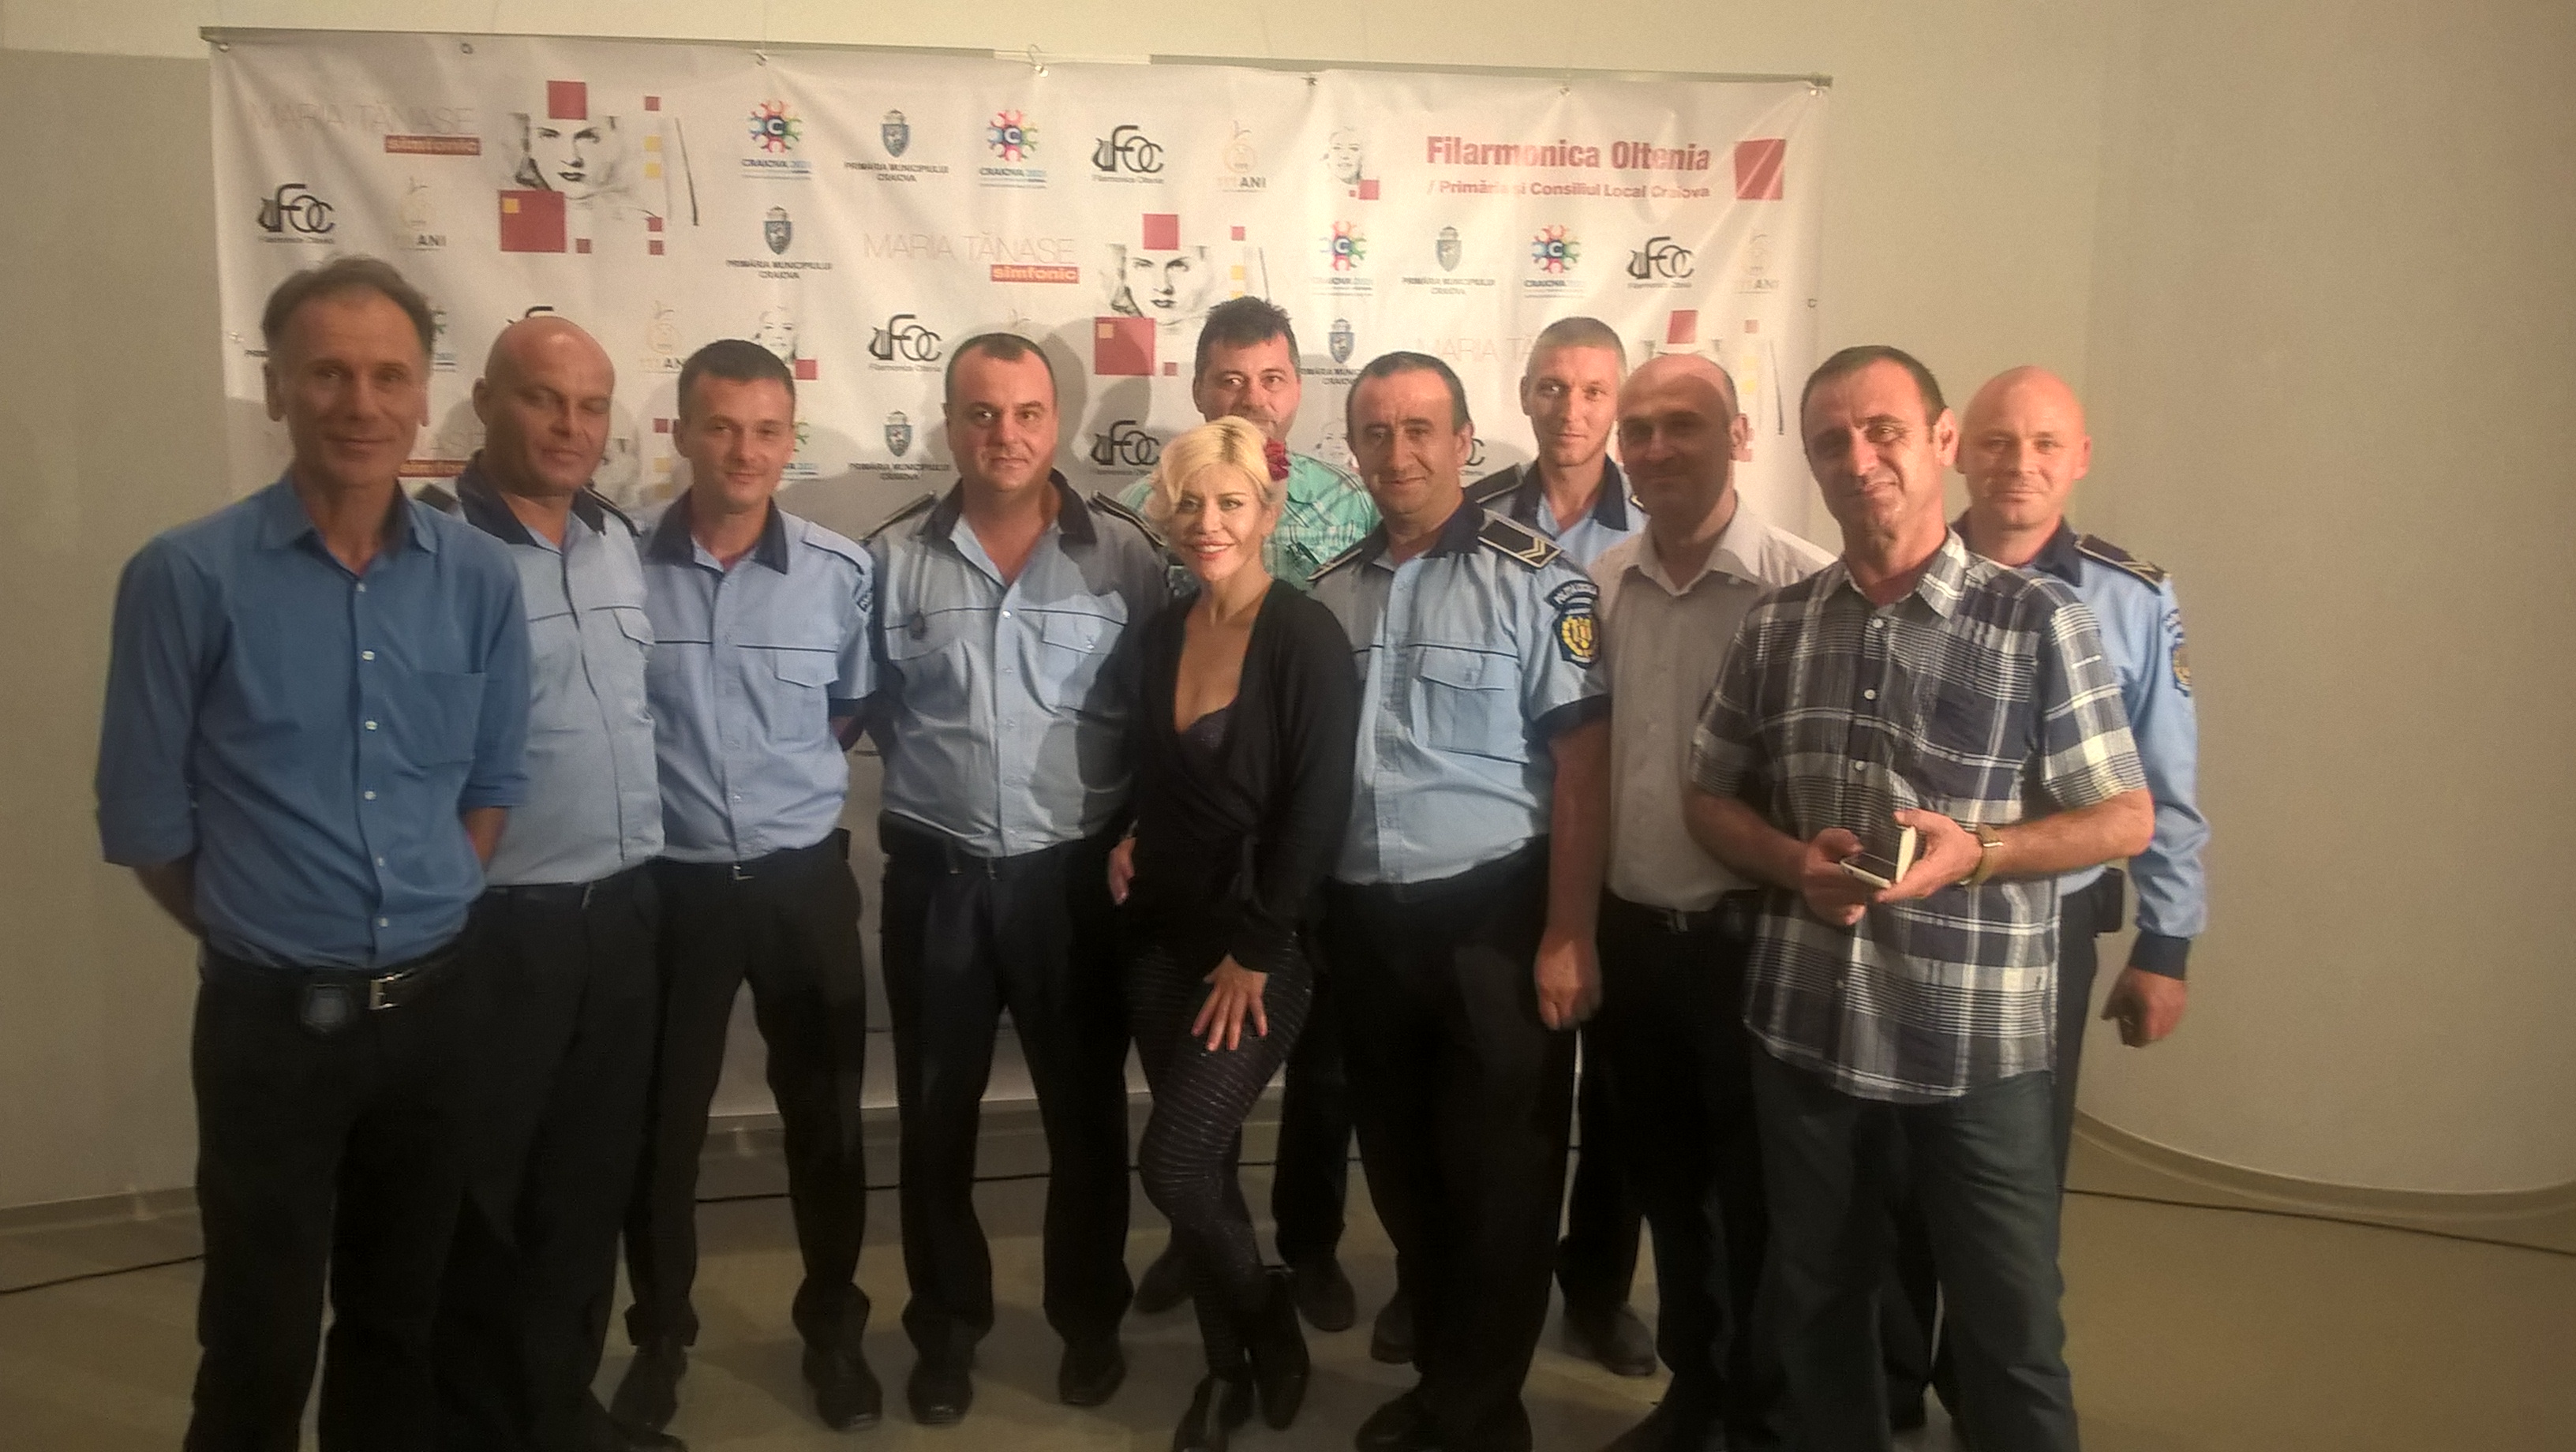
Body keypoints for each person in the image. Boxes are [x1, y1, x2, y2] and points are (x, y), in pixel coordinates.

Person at [95, 256, 530, 1451]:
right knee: (260, 1336)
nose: (361, 403)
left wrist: (432, 897)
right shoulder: (185, 576)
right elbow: (146, 821)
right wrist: (274, 925)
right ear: (278, 387)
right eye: (329, 373)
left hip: (438, 1015)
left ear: (424, 393)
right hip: (271, 1031)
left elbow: (493, 783)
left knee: (399, 1323)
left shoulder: (480, 580)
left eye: (389, 376)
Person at [1685, 346, 2153, 1452]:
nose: (1860, 460)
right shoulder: (1778, 626)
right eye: (1832, 442)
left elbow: (2124, 816)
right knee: (1819, 1312)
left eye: (1884, 430)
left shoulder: (2041, 622)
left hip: (1977, 1046)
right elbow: (1707, 798)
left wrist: (1979, 852)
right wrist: (1791, 861)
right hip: (1810, 1031)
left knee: (2011, 1331)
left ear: (1941, 442)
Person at [1878, 365, 2211, 1433]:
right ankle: (1887, 1379)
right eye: (1996, 441)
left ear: (2081, 459)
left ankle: (1981, 1389)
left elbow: (2163, 788)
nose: (2018, 464)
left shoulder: (2130, 598)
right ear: (1956, 449)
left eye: (2044, 444)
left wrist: (2167, 945)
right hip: (1909, 913)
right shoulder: (1903, 572)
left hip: (2049, 927)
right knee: (1894, 1165)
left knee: (2011, 1183)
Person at [863, 333, 1169, 1426]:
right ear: (950, 424)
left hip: (1074, 885)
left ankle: (1089, 1322)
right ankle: (947, 1332)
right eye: (982, 413)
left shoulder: (1127, 556)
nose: (1006, 434)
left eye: (1028, 412)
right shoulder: (890, 558)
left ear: (1058, 424)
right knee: (935, 1121)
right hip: (937, 880)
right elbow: (866, 710)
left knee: (1086, 1122)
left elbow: (1166, 717)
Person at [1309, 351, 1610, 1452]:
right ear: (1354, 449)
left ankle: (1483, 1417)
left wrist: (1569, 931)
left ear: (1465, 443)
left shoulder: (1541, 581)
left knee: (1501, 1187)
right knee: (1402, 1173)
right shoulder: (1329, 594)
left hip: (1497, 918)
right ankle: (1446, 1383)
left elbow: (1583, 770)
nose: (1398, 453)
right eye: (1376, 432)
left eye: (1421, 430)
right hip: (1365, 926)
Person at [612, 340, 879, 1438]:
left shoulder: (839, 573)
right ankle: (660, 1339)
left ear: (790, 440)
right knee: (658, 1133)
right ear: (681, 432)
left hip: (799, 882)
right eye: (721, 426)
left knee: (826, 1123)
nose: (744, 451)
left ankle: (834, 1332)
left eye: (767, 430)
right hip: (670, 891)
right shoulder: (616, 566)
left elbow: (848, 711)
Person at [424, 316, 676, 1452]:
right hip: (497, 930)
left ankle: (563, 1412)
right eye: (543, 399)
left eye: (591, 405)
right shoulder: (431, 553)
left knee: (586, 1188)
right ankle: (480, 1427)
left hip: (620, 916)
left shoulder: (617, 540)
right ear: (486, 402)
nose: (572, 427)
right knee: (481, 1199)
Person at [1582, 356, 1835, 1452]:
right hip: (1636, 940)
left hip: (1757, 942)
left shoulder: (1803, 587)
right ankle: (1694, 1396)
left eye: (1682, 425)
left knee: (1761, 1200)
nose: (1655, 449)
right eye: (1637, 430)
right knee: (1669, 1188)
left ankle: (1762, 1416)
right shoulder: (1599, 584)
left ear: (1738, 436)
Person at [1120, 295, 1379, 1341]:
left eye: (1230, 504)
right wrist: (1131, 833)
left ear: (1268, 511)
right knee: (1192, 1145)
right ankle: (1214, 1266)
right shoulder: (1161, 624)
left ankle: (1294, 1269)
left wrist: (1261, 946)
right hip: (1166, 924)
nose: (1209, 521)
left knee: (1250, 1120)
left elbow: (1317, 796)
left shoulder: (1309, 617)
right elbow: (1152, 761)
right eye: (1192, 506)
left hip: (1273, 923)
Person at [1462, 313, 1651, 1376]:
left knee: (1617, 1094)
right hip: (1509, 845)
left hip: (1628, 846)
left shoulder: (1660, 520)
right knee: (1501, 1094)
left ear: (1616, 401)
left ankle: (1597, 1291)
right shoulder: (1476, 515)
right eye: (1551, 387)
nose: (1570, 410)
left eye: (1592, 390)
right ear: (1525, 393)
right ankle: (1477, 1286)